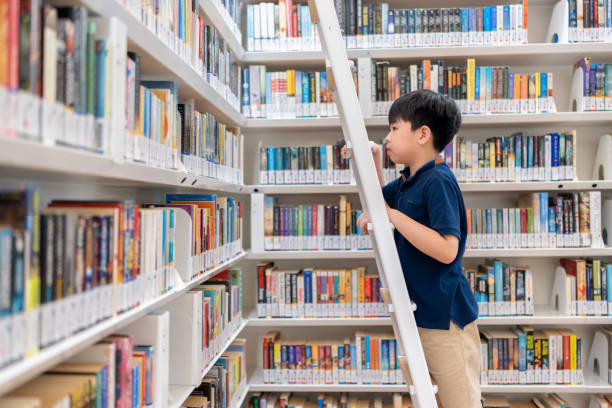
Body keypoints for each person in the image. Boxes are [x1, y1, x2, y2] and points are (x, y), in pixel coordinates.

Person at [356, 90, 480, 408]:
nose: (388, 137)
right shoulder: (408, 181)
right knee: (427, 398)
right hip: (418, 314)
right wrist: (370, 162)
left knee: (458, 400)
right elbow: (379, 203)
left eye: (395, 128)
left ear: (422, 134)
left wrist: (393, 216)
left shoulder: (437, 181)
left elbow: (447, 249)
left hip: (444, 317)